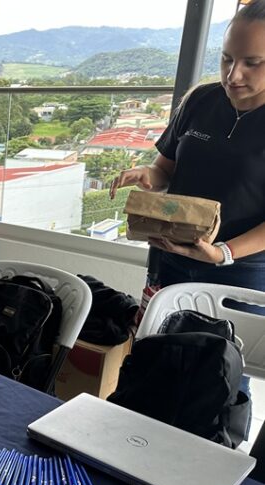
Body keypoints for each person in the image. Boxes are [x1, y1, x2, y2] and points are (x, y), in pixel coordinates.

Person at [110, 0, 265, 437]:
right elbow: (167, 168)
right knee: (152, 352)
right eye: (227, 59)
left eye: (252, 63)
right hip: (170, 259)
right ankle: (133, 441)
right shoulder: (201, 101)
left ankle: (211, 459)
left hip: (240, 272)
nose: (234, 75)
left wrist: (224, 252)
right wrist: (149, 175)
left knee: (224, 372)